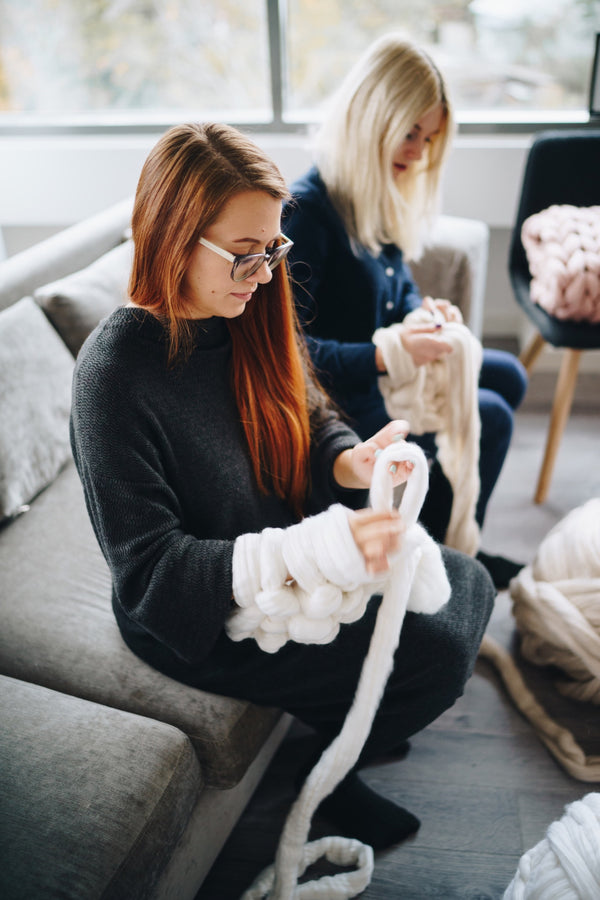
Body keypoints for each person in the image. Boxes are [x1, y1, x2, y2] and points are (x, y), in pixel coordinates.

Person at [70, 121, 494, 851]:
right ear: (173, 235)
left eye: (273, 249)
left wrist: (347, 462)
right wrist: (315, 550)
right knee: (435, 652)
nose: (265, 273)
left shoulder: (248, 307)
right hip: (197, 609)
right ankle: (330, 762)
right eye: (245, 254)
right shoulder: (115, 374)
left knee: (468, 589)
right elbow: (152, 574)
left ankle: (347, 735)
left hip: (280, 541)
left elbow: (309, 406)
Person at [283, 34, 528, 589]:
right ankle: (450, 558)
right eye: (411, 133)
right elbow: (289, 353)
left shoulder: (371, 192)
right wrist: (385, 354)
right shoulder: (308, 216)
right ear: (373, 116)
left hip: (381, 375)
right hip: (343, 400)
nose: (418, 152)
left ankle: (455, 527)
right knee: (490, 414)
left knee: (508, 374)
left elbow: (401, 288)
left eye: (430, 138)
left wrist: (423, 313)